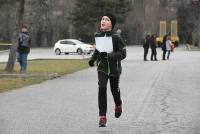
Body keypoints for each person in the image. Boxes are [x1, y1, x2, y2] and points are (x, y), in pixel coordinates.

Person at [88, 13, 126, 127]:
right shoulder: (98, 35)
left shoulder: (116, 37)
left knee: (114, 91)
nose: (103, 21)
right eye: (102, 19)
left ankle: (118, 104)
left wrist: (110, 56)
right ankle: (102, 117)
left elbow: (123, 54)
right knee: (102, 88)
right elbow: (97, 50)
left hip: (114, 69)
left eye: (106, 19)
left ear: (111, 24)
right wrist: (93, 59)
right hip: (102, 67)